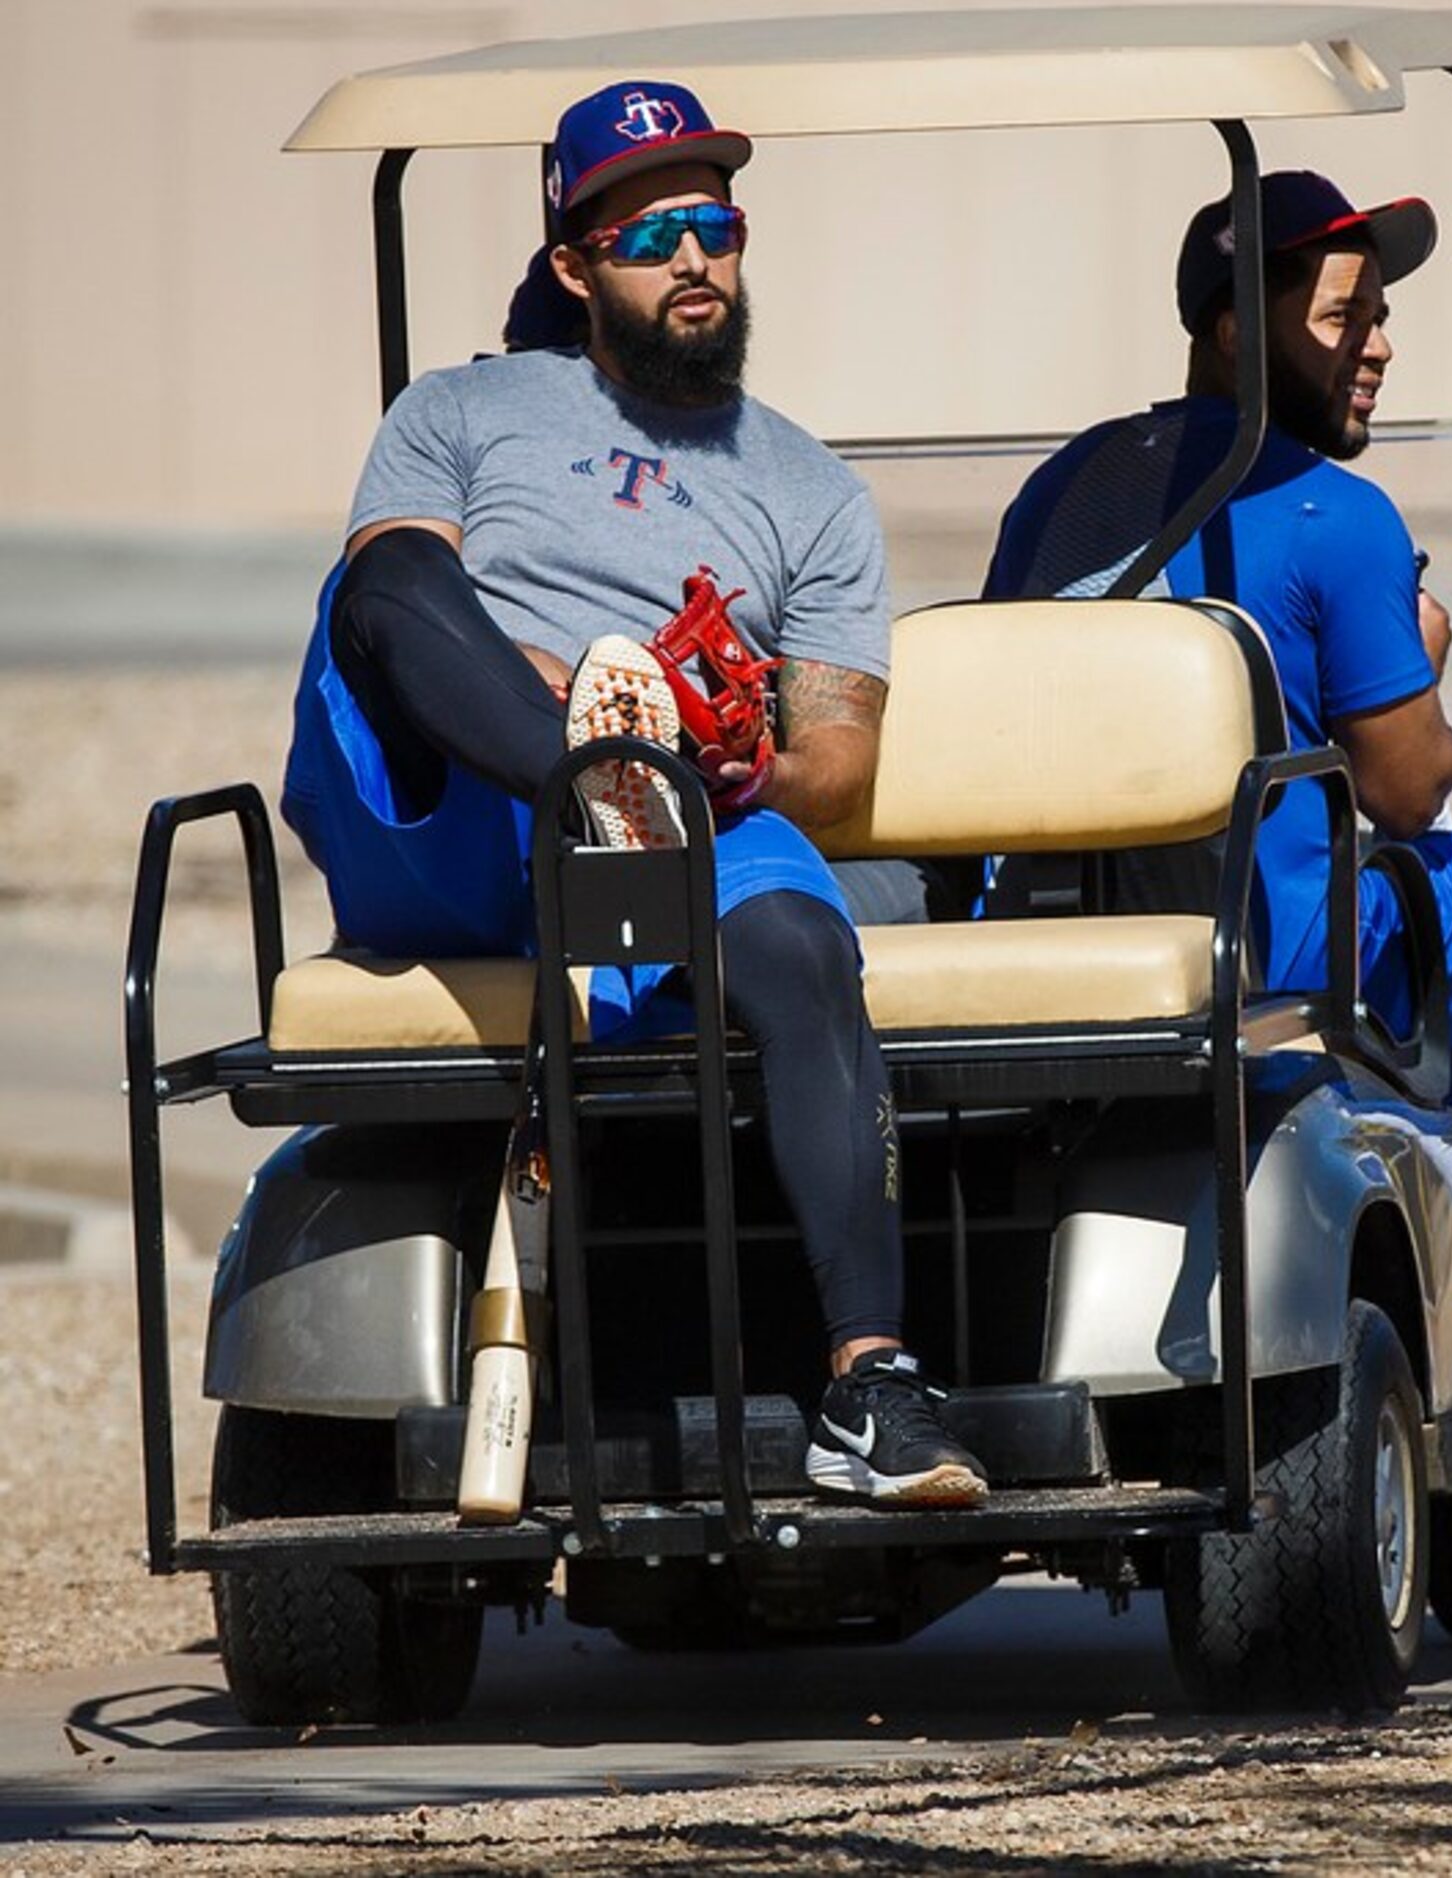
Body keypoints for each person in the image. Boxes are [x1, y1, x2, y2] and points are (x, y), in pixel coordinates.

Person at [280, 79, 984, 1507]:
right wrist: (569, 707)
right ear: (575, 264)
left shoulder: (811, 489)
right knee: (388, 579)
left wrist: (741, 758)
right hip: (476, 802)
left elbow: (837, 768)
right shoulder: (462, 411)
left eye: (716, 226)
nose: (694, 258)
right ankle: (593, 778)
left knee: (801, 941)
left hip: (693, 810)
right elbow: (398, 605)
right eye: (655, 231)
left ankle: (871, 1382)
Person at [984, 171, 1452, 1397]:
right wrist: (1429, 662)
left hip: (1080, 928)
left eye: (1379, 315)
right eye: (1347, 316)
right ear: (1240, 327)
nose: (1380, 346)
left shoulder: (1064, 492)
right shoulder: (1333, 514)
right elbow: (1406, 795)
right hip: (1287, 955)